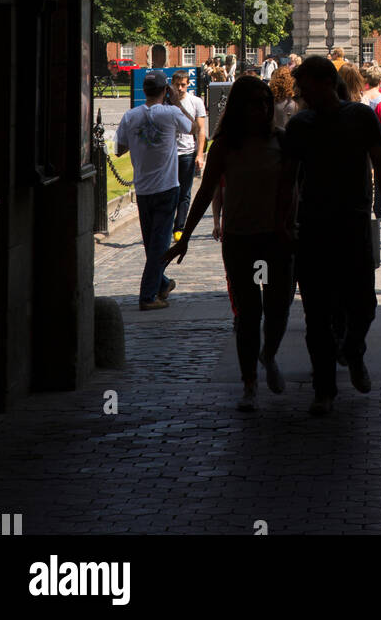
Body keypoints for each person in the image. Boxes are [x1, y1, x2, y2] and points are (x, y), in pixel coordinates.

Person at [164, 76, 297, 410]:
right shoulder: (225, 145)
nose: (263, 108)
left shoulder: (283, 141)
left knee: (279, 307)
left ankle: (269, 354)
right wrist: (185, 237)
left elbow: (294, 189)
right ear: (240, 107)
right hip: (242, 240)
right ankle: (249, 382)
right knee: (249, 314)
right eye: (255, 102)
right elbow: (206, 190)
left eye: (266, 102)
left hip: (276, 237)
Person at [282, 56, 381, 415]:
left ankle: (353, 349)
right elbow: (287, 180)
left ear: (323, 83)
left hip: (353, 223)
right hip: (314, 226)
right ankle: (324, 390)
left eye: (304, 88)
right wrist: (283, 221)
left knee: (364, 303)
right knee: (316, 315)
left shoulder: (361, 117)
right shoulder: (300, 125)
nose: (301, 95)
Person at [115, 70, 193, 311]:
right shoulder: (170, 113)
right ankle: (148, 296)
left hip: (143, 188)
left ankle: (163, 284)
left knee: (152, 243)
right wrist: (176, 101)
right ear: (164, 90)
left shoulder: (131, 116)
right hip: (167, 187)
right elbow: (190, 126)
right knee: (158, 245)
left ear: (144, 90)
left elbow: (119, 148)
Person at [170, 71, 206, 237]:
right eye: (177, 84)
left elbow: (201, 130)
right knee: (170, 192)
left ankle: (180, 227)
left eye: (183, 84)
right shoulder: (167, 102)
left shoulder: (195, 101)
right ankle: (168, 225)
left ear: (188, 84)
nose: (180, 88)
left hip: (187, 153)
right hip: (169, 155)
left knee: (184, 192)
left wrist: (199, 154)